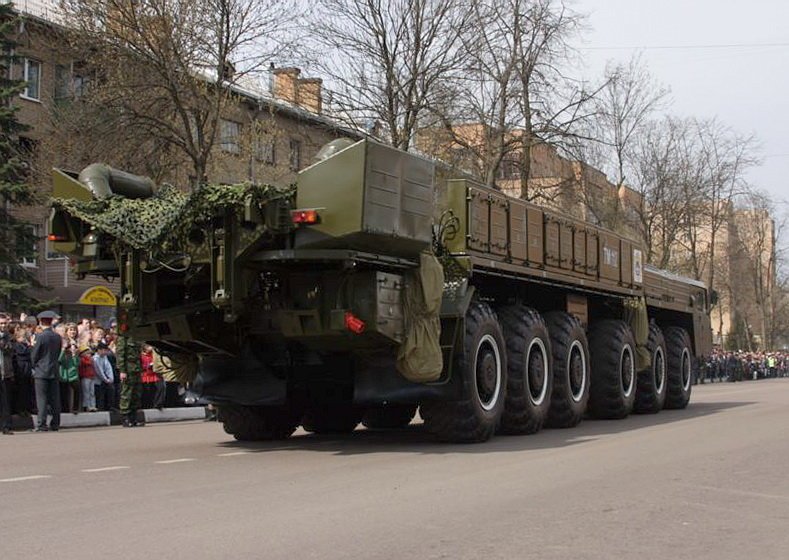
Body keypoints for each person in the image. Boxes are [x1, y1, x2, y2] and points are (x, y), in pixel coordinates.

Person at [30, 310, 63, 432]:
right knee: (55, 398)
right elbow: (58, 352)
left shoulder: (40, 337)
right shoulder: (57, 337)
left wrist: (34, 366)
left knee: (42, 398)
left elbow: (34, 355)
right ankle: (55, 423)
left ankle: (41, 424)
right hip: (54, 370)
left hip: (41, 371)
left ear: (40, 321)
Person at [117, 333, 143, 427]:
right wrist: (122, 370)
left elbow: (139, 354)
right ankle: (125, 417)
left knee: (136, 393)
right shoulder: (123, 337)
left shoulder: (136, 336)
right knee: (127, 393)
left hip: (136, 368)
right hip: (128, 369)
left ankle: (134, 417)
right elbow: (120, 354)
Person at [59, 323, 81, 413]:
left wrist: (74, 354)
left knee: (77, 389)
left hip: (73, 371)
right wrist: (64, 349)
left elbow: (77, 362)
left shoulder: (77, 343)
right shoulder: (62, 342)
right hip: (64, 371)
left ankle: (75, 408)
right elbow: (59, 359)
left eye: (74, 330)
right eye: (71, 330)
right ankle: (65, 409)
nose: (73, 332)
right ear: (66, 332)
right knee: (64, 392)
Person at [0, 313, 13, 434]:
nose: (3, 325)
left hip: (5, 372)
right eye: (1, 323)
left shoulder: (8, 336)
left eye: (4, 323)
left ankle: (6, 426)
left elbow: (9, 350)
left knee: (5, 401)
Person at [93, 342, 115, 411]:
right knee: (99, 396)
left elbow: (108, 367)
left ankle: (110, 407)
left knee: (110, 391)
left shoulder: (105, 357)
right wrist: (106, 379)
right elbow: (99, 371)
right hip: (97, 381)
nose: (105, 352)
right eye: (104, 350)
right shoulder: (95, 359)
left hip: (105, 380)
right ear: (99, 350)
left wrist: (111, 378)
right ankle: (100, 408)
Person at [78, 347, 97, 412]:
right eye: (87, 353)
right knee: (86, 392)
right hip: (85, 377)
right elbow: (86, 363)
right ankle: (87, 406)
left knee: (92, 392)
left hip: (91, 377)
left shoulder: (91, 360)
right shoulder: (82, 359)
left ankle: (93, 405)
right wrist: (90, 360)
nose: (89, 354)